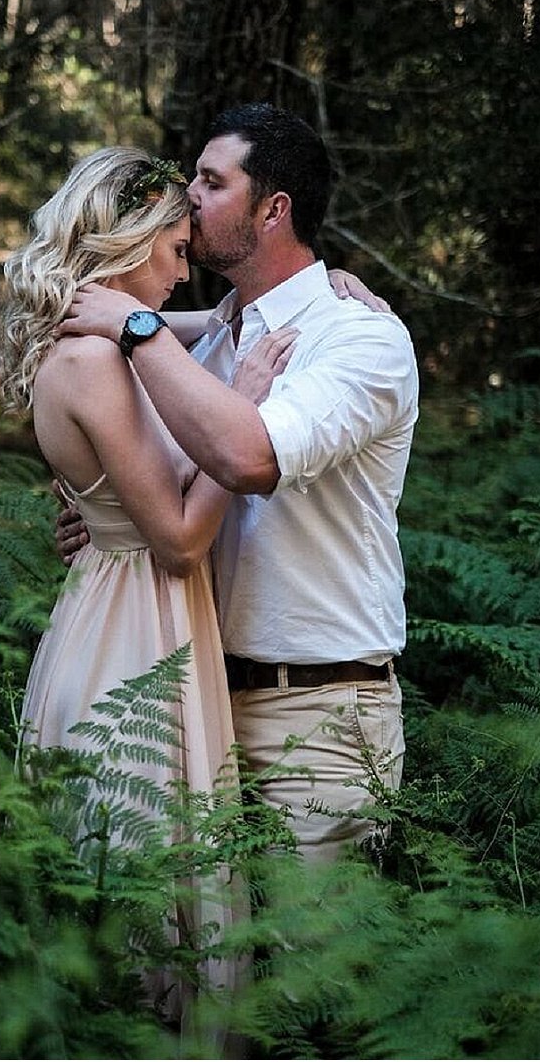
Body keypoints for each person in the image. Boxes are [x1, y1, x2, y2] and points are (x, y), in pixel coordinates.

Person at [56, 103, 419, 867]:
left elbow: (247, 459)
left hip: (317, 716)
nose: (188, 194)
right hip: (192, 701)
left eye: (211, 181)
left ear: (273, 210)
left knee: (308, 945)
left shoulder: (358, 339)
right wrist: (107, 515)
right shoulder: (217, 335)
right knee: (204, 939)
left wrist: (136, 326)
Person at [0, 145, 302, 1026]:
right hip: (133, 637)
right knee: (144, 900)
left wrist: (322, 289)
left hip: (125, 608)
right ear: (125, 247)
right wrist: (244, 409)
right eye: (171, 249)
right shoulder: (94, 361)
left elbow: (212, 317)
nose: (181, 269)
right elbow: (176, 540)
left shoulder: (113, 340)